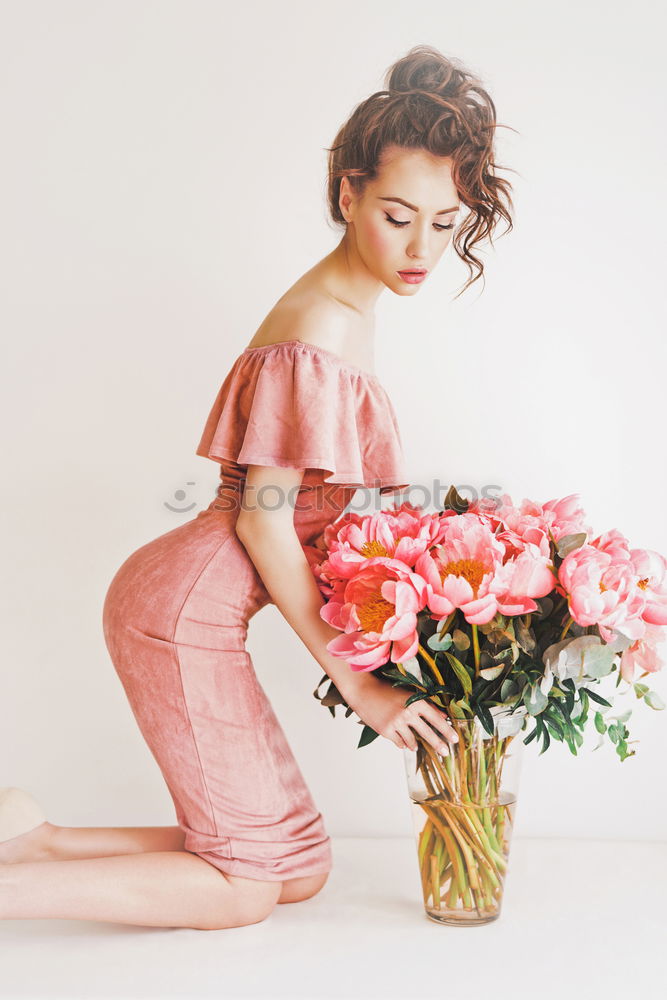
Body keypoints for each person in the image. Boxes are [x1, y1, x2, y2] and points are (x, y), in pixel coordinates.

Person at [0, 44, 513, 930]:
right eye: (397, 215)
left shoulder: (351, 311)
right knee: (244, 888)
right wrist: (360, 682)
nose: (422, 247)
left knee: (298, 868)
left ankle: (32, 842)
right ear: (347, 194)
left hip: (188, 599)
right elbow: (265, 525)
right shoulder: (319, 325)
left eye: (444, 220)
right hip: (180, 615)